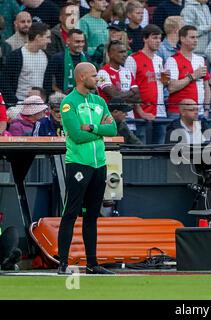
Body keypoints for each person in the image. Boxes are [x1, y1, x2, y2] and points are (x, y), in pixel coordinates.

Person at [57, 62, 117, 275]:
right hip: (79, 164)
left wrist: (93, 127)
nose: (97, 79)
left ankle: (92, 263)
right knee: (71, 212)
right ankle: (62, 262)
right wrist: (100, 132)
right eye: (93, 75)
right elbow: (76, 135)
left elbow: (113, 128)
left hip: (99, 164)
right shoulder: (68, 102)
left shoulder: (99, 101)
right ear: (82, 77)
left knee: (92, 214)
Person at [166, 25, 211, 119]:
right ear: (182, 38)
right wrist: (193, 76)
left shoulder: (200, 59)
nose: (196, 40)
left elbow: (206, 86)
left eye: (197, 37)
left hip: (200, 113)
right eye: (192, 37)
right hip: (178, 113)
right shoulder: (172, 60)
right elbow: (171, 87)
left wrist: (206, 109)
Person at [1, 22, 51, 103]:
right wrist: (15, 102)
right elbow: (5, 82)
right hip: (19, 104)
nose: (49, 41)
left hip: (40, 105)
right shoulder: (16, 56)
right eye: (47, 37)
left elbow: (47, 84)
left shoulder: (47, 57)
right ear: (38, 37)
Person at [44, 29, 88, 95]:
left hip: (83, 96)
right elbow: (48, 81)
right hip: (62, 97)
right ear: (68, 41)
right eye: (77, 42)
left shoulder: (87, 58)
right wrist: (61, 93)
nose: (80, 44)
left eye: (82, 42)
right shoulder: (57, 58)